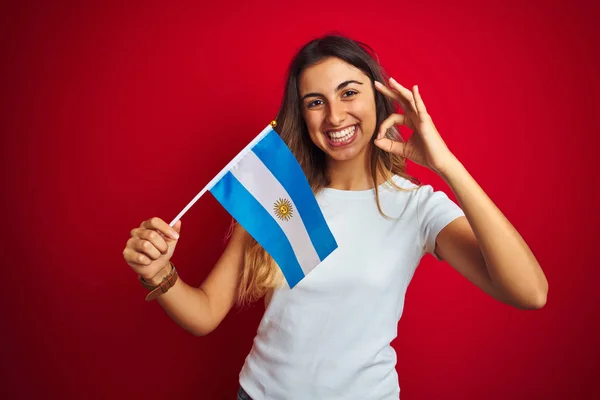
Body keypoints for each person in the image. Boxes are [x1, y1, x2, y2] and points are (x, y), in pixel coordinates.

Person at [122, 34, 548, 400]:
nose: (336, 116)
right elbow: (205, 313)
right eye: (315, 102)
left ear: (379, 98)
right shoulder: (278, 196)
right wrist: (159, 272)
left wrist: (446, 164)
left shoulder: (417, 207)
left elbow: (530, 292)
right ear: (302, 114)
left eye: (349, 92)